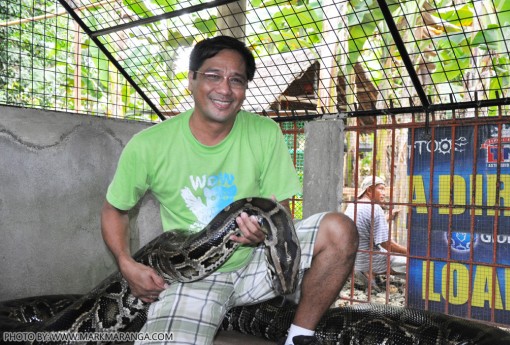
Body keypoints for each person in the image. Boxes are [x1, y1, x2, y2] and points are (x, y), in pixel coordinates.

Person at [101, 35, 358, 345]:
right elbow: (115, 210)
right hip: (193, 278)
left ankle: (299, 337)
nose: (225, 89)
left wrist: (262, 236)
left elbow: (281, 215)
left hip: (257, 261)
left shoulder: (265, 132)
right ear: (192, 80)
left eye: (236, 80)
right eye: (213, 76)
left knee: (340, 230)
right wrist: (126, 264)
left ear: (245, 89)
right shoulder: (149, 145)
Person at [344, 176, 406, 290]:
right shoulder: (375, 208)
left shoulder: (352, 206)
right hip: (370, 260)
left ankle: (365, 273)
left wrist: (387, 218)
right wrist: (410, 252)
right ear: (369, 190)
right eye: (381, 189)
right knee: (414, 264)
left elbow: (365, 227)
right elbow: (386, 244)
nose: (384, 193)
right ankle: (370, 272)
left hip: (354, 259)